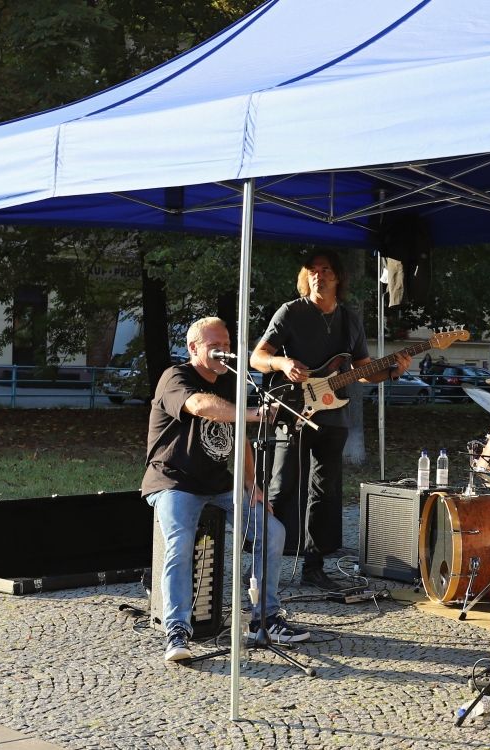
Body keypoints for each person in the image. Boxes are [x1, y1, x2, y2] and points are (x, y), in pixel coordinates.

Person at [143, 317, 307, 662]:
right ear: (193, 348)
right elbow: (200, 406)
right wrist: (253, 412)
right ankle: (177, 630)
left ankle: (265, 618)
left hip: (219, 483)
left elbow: (239, 434)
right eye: (215, 345)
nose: (224, 351)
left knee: (272, 532)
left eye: (228, 345)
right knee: (181, 543)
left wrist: (250, 483)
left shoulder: (232, 380)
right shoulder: (175, 377)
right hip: (173, 480)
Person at [251, 251, 412, 591]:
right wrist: (282, 364)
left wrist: (393, 370)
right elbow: (257, 358)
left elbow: (362, 371)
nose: (318, 276)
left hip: (335, 416)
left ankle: (313, 568)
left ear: (338, 277)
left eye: (325, 270)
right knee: (281, 489)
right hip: (294, 412)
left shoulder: (350, 320)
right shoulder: (291, 311)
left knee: (324, 494)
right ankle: (263, 569)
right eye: (312, 270)